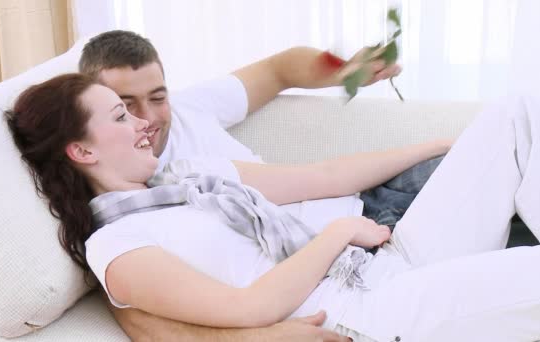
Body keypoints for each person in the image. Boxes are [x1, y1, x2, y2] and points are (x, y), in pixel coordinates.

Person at [5, 73, 540, 341]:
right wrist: (338, 233)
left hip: (386, 261)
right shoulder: (118, 247)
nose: (144, 122)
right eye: (120, 117)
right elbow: (246, 311)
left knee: (517, 114)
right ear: (82, 150)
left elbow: (322, 175)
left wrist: (440, 146)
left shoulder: (195, 176)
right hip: (363, 313)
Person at [76, 30, 443, 340]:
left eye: (158, 97)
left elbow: (279, 70)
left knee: (489, 151)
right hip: (345, 262)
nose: (148, 119)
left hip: (364, 210)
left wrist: (346, 69)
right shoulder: (123, 214)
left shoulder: (190, 124)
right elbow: (137, 312)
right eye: (125, 108)